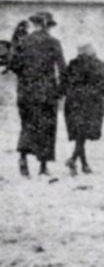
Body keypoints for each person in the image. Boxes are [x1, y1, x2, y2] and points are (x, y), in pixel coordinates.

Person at [13, 11, 65, 178]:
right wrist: (61, 91)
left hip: (25, 91)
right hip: (47, 91)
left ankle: (23, 159)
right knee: (47, 127)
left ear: (35, 24)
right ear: (47, 26)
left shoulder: (23, 41)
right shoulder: (54, 42)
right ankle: (43, 166)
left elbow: (14, 65)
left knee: (27, 124)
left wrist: (26, 77)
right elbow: (62, 69)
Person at [62, 42, 104, 175]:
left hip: (73, 102)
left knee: (79, 133)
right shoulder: (99, 64)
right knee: (82, 133)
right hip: (91, 102)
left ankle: (83, 164)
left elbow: (64, 83)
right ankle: (75, 160)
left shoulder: (72, 64)